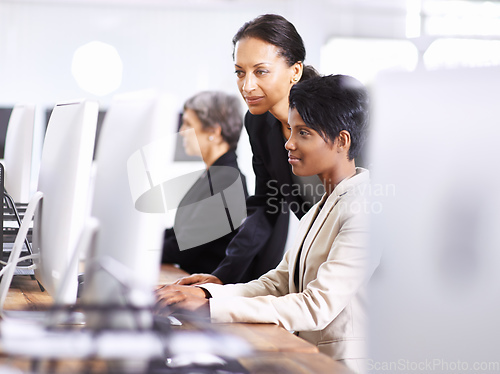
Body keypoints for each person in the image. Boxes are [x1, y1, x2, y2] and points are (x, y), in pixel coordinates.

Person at [156, 74, 378, 374]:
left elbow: (316, 306)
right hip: (305, 357)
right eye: (290, 130)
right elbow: (279, 283)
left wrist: (212, 308)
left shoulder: (364, 210)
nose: (289, 143)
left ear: (342, 141)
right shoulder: (320, 207)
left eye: (303, 133)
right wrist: (208, 293)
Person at [176, 14, 322, 286]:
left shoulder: (333, 116)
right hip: (319, 253)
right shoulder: (258, 122)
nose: (247, 85)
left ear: (295, 71)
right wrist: (221, 278)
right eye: (240, 72)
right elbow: (268, 205)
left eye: (261, 71)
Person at [161, 91, 248, 275]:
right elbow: (179, 232)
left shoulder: (226, 182)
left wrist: (140, 248)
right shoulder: (213, 175)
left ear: (214, 132)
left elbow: (181, 248)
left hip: (204, 293)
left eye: (189, 124)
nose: (182, 131)